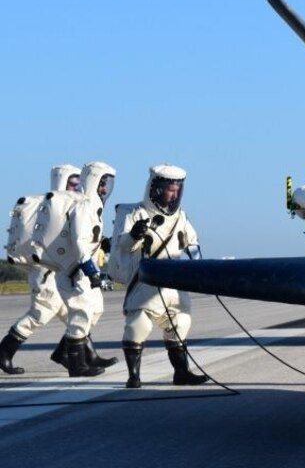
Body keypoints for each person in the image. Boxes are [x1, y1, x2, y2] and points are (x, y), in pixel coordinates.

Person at [110, 165, 207, 388]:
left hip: (174, 282)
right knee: (138, 326)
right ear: (155, 188)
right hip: (147, 280)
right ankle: (133, 376)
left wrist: (200, 268)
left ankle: (181, 373)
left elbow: (192, 243)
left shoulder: (180, 217)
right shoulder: (135, 213)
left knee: (181, 322)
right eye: (169, 189)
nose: (173, 194)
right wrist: (135, 234)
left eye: (177, 190)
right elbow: (123, 244)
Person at [0, 165, 82, 374]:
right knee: (40, 314)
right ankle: (3, 354)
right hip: (46, 272)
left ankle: (72, 356)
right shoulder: (49, 209)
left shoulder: (66, 207)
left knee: (77, 313)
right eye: (72, 183)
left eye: (78, 183)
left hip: (58, 271)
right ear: (61, 181)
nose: (76, 187)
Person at [54, 161, 119, 377]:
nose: (104, 188)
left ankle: (64, 351)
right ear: (92, 181)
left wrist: (104, 244)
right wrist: (91, 270)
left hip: (83, 270)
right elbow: (80, 241)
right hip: (75, 270)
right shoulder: (82, 205)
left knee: (96, 309)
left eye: (107, 184)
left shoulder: (93, 206)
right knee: (81, 313)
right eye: (102, 183)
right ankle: (76, 364)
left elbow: (91, 239)